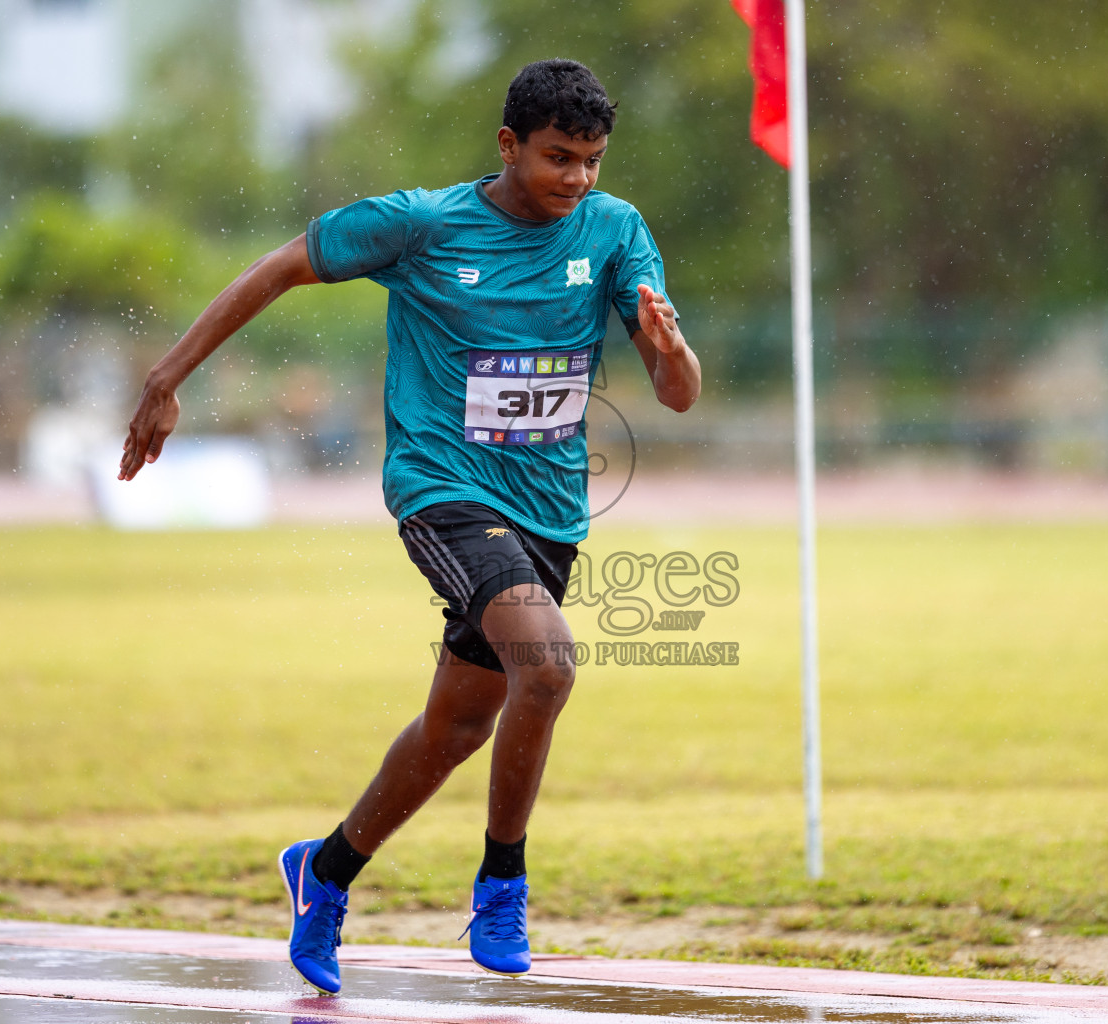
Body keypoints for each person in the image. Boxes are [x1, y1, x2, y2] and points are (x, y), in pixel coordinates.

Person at [118, 58, 700, 994]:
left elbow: (676, 396)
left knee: (458, 725)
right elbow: (280, 267)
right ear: (509, 146)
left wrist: (672, 353)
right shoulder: (422, 224)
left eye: (592, 160)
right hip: (445, 488)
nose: (577, 179)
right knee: (546, 665)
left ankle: (326, 871)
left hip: (551, 512)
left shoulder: (616, 230)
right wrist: (166, 378)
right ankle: (503, 879)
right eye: (558, 158)